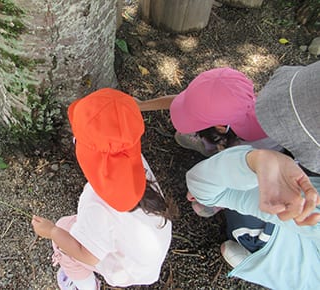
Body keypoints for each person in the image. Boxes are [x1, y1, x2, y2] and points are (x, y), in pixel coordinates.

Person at [185, 61, 320, 289]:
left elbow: (208, 187)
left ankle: (259, 259)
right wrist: (255, 162)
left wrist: (250, 162)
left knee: (245, 217)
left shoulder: (305, 216)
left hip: (297, 258)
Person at [31, 88, 175, 290]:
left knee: (63, 233)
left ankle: (85, 285)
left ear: (87, 156)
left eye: (77, 139)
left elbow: (87, 255)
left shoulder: (95, 203)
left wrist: (52, 231)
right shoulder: (135, 162)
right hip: (149, 253)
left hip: (127, 270)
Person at [135, 67, 282, 157]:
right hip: (231, 136)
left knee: (184, 137)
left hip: (239, 151)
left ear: (219, 128)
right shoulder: (234, 96)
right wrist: (140, 105)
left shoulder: (249, 152)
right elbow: (181, 101)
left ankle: (210, 149)